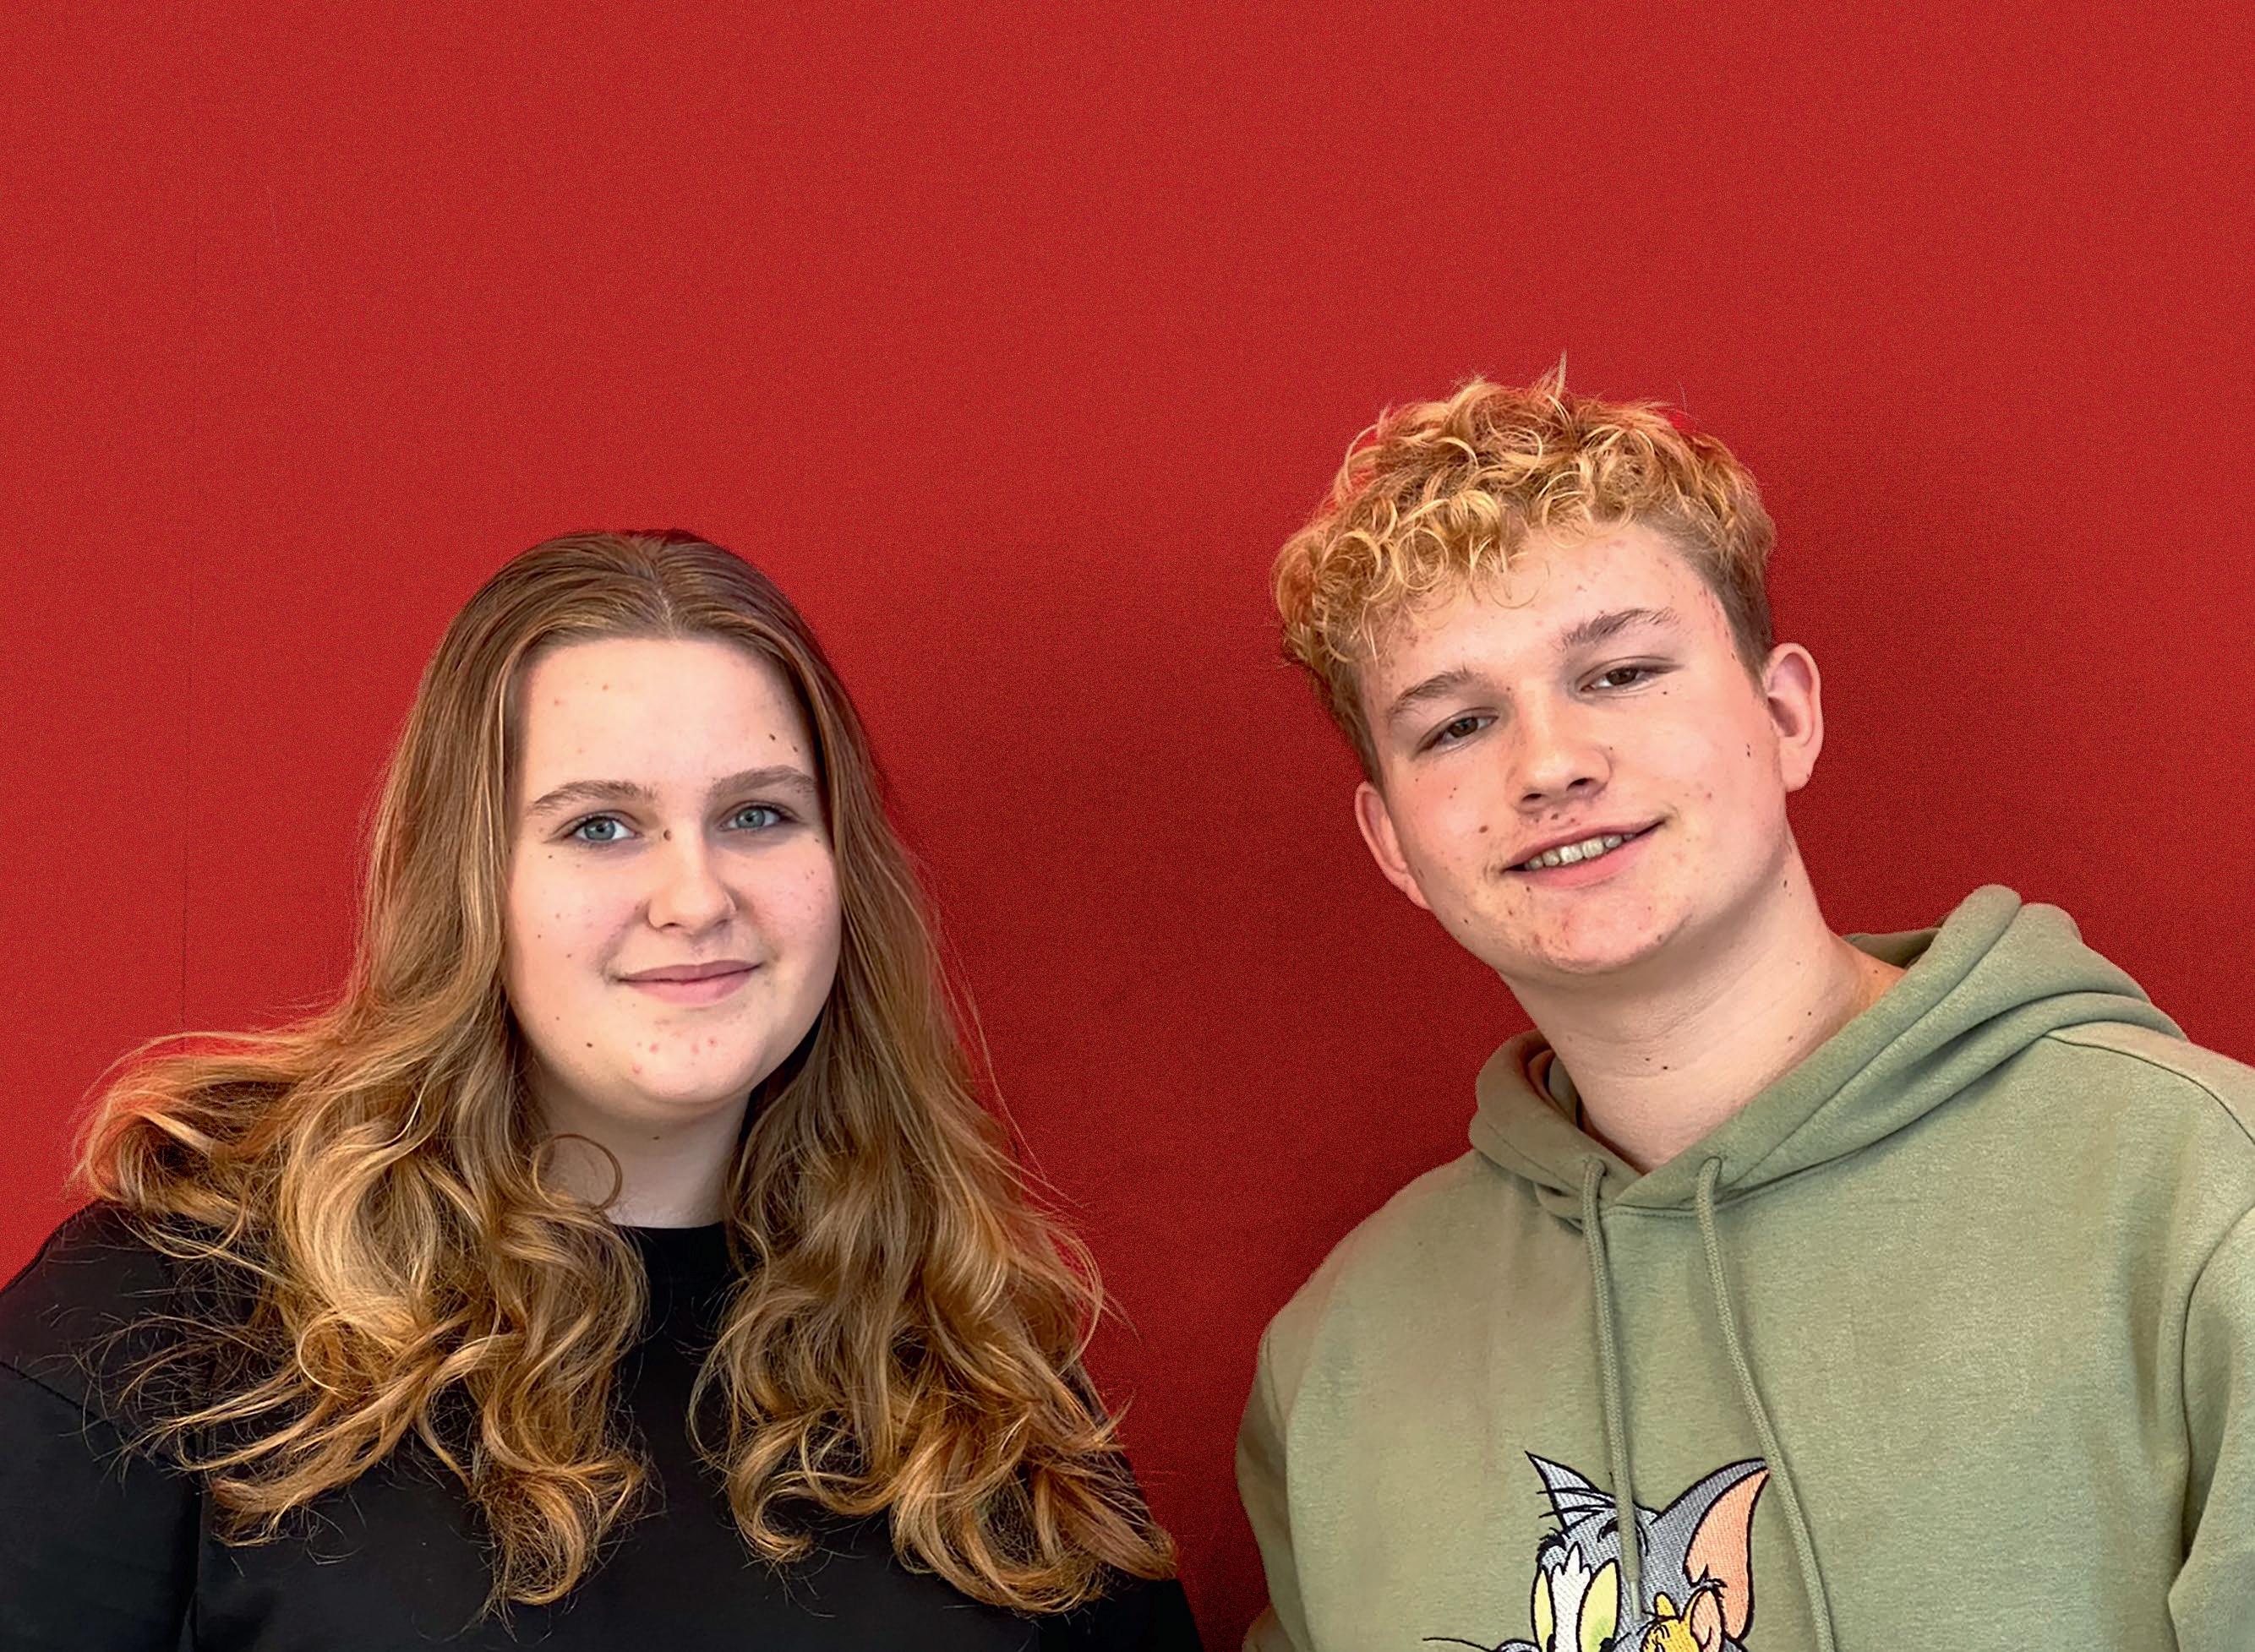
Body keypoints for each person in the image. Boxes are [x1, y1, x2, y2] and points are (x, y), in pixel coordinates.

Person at [0, 531, 1200, 1651]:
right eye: (600, 828)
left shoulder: (972, 1365)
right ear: (467, 882)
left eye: (758, 814)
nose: (696, 896)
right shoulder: (173, 1318)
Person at [1236, 374, 2255, 1652]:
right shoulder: (1336, 1360)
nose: (1549, 765)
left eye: (1620, 672)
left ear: (1786, 716)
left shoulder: (2199, 1200)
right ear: (1393, 842)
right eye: (1457, 725)